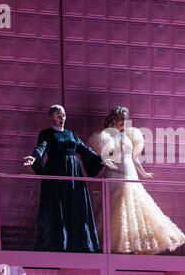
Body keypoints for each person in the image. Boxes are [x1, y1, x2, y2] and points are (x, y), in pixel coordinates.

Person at [89, 106, 185, 254]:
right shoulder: (106, 135)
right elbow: (104, 157)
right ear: (114, 118)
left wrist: (143, 173)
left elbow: (134, 157)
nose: (123, 121)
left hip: (130, 172)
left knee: (134, 203)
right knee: (115, 204)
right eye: (121, 118)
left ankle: (135, 242)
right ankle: (111, 242)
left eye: (125, 118)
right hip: (115, 172)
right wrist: (115, 149)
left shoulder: (130, 135)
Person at [23, 105, 117, 252]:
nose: (62, 119)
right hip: (56, 174)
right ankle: (60, 243)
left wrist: (100, 159)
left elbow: (84, 149)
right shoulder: (46, 133)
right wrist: (34, 157)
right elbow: (41, 147)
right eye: (58, 116)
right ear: (51, 117)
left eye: (64, 116)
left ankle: (80, 244)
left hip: (74, 175)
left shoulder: (71, 133)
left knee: (76, 205)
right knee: (57, 207)